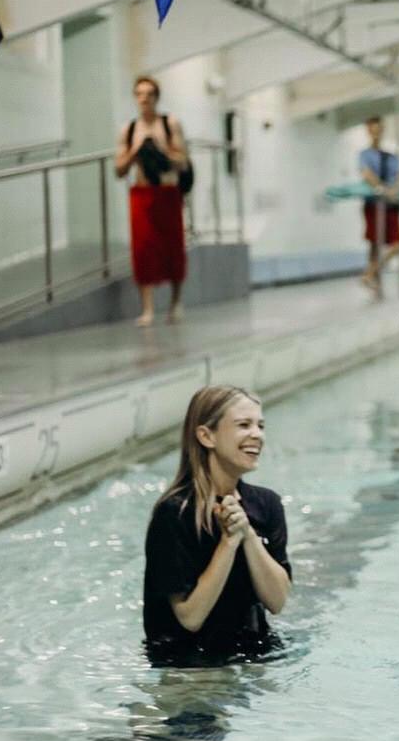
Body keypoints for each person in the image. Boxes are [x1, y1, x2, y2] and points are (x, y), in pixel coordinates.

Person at [143, 386, 291, 657]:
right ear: (206, 435)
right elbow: (190, 617)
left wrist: (247, 534)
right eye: (243, 425)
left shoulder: (266, 504)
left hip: (256, 656)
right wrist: (228, 542)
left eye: (260, 425)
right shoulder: (174, 514)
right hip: (190, 668)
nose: (256, 435)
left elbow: (277, 601)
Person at [114, 74, 189, 327]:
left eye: (149, 94)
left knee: (172, 248)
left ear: (157, 97)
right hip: (142, 194)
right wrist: (137, 150)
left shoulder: (170, 124)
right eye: (139, 94)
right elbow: (119, 169)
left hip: (167, 192)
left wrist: (161, 149)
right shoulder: (130, 129)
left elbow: (183, 161)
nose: (144, 99)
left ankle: (175, 302)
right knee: (144, 251)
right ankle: (147, 309)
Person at [359, 115, 399, 296]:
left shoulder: (391, 156)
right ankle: (375, 283)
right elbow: (366, 174)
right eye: (372, 129)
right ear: (368, 131)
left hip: (391, 204)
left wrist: (393, 190)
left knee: (396, 245)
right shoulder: (364, 155)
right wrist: (381, 188)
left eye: (379, 129)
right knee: (375, 245)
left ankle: (370, 274)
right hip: (373, 203)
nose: (376, 133)